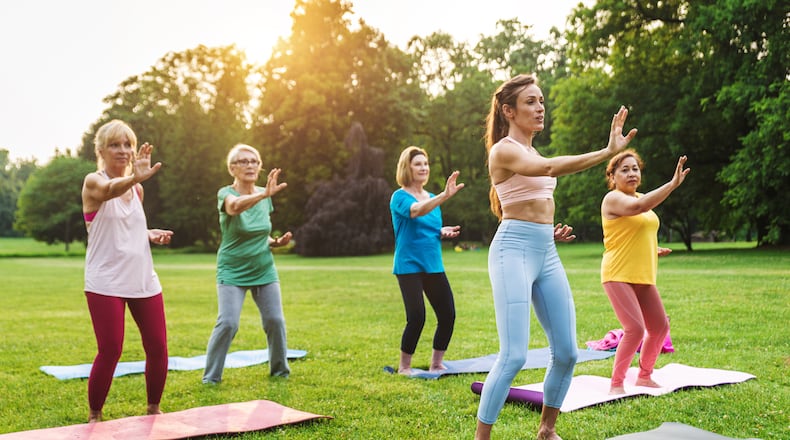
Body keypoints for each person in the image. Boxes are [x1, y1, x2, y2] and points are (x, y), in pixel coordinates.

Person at [475, 74, 638, 440]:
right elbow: (548, 170)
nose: (540, 107)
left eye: (541, 101)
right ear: (508, 111)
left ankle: (546, 430)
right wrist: (606, 152)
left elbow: (533, 196)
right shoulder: (503, 150)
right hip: (512, 250)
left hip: (544, 250)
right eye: (530, 101)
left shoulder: (531, 151)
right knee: (514, 355)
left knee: (566, 352)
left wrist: (546, 231)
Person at [81, 119, 173, 423]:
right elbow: (108, 192)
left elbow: (127, 226)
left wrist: (149, 233)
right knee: (110, 350)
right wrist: (135, 177)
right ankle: (95, 416)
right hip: (105, 281)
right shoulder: (93, 181)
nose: (122, 150)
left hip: (143, 278)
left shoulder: (137, 191)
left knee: (158, 347)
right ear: (101, 150)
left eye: (127, 145)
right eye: (115, 145)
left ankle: (153, 410)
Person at [601, 149, 690, 395]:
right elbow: (639, 206)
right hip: (618, 274)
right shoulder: (613, 199)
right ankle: (616, 384)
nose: (631, 173)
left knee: (660, 327)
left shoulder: (640, 197)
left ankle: (644, 376)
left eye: (635, 169)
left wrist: (652, 248)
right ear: (613, 176)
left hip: (642, 274)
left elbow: (637, 230)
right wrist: (672, 185)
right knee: (635, 329)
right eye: (625, 170)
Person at [203, 144, 292, 383]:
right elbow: (233, 208)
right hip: (232, 269)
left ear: (260, 166)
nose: (250, 165)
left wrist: (274, 242)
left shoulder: (265, 195)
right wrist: (263, 195)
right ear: (232, 168)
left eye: (254, 161)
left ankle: (280, 371)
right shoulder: (226, 193)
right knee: (228, 323)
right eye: (243, 161)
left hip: (263, 267)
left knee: (275, 320)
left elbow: (259, 232)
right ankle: (211, 377)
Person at [390, 146, 464, 374]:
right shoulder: (399, 197)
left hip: (433, 263)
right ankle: (404, 366)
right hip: (409, 265)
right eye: (418, 164)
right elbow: (415, 212)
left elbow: (427, 226)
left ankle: (436, 363)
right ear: (407, 168)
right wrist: (445, 196)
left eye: (426, 163)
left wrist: (442, 231)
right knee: (417, 317)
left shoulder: (431, 198)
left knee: (447, 314)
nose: (424, 168)